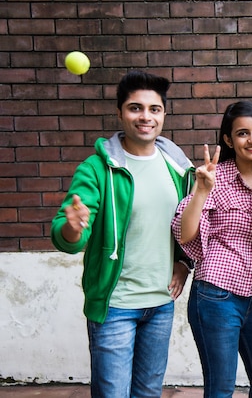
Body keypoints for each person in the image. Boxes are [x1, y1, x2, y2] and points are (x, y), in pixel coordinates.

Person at [51, 70, 195, 398]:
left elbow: (187, 227)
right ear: (120, 113)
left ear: (163, 114)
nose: (145, 116)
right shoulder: (97, 169)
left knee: (147, 393)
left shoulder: (179, 168)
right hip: (115, 306)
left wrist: (184, 263)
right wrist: (73, 228)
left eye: (154, 109)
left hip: (160, 303)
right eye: (135, 108)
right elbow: (65, 235)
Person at [171, 101, 252, 398]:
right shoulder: (214, 176)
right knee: (221, 388)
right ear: (229, 140)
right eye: (242, 133)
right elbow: (184, 231)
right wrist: (202, 190)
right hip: (217, 295)